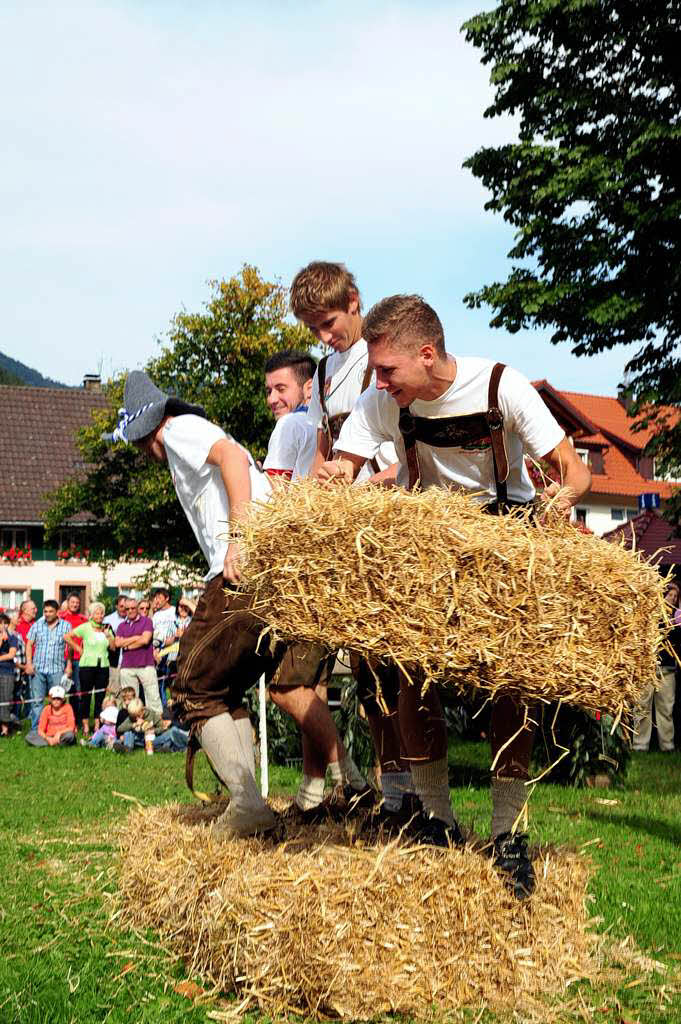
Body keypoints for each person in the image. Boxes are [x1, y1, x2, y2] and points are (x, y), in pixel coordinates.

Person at [316, 293, 592, 897]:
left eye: (389, 370)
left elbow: (577, 473)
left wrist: (558, 502)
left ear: (428, 352)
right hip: (430, 548)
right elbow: (345, 466)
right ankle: (437, 821)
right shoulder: (382, 403)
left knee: (513, 684)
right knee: (410, 677)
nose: (379, 382)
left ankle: (506, 833)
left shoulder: (502, 386)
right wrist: (335, 476)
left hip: (503, 538)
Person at [104, 370, 371, 838]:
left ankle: (248, 803)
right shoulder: (188, 434)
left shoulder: (180, 429)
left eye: (137, 440)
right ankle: (258, 801)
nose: (140, 450)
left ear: (149, 426)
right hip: (275, 571)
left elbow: (230, 458)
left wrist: (238, 538)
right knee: (224, 691)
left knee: (190, 687)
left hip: (243, 572)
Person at [291, 261, 413, 826]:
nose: (324, 336)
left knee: (393, 668)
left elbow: (412, 453)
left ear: (356, 301)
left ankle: (409, 791)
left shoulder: (386, 358)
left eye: (330, 322)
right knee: (360, 669)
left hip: (390, 520)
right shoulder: (320, 375)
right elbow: (322, 450)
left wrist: (375, 485)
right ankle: (382, 793)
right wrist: (311, 500)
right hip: (344, 528)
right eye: (313, 327)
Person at [633, 578, 679, 752]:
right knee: (641, 708)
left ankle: (667, 746)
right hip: (647, 670)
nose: (672, 599)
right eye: (670, 595)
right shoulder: (649, 615)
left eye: (675, 597)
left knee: (666, 709)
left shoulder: (677, 619)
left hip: (667, 671)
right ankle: (639, 746)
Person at [263, 350, 318, 481]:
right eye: (269, 391)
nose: (272, 399)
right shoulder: (323, 423)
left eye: (281, 389)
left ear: (309, 388)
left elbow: (274, 490)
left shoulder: (289, 423)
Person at [65, 601, 116, 736]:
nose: (100, 616)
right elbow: (67, 636)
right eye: (97, 613)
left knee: (100, 697)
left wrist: (109, 635)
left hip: (103, 666)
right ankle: (86, 725)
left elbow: (113, 647)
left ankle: (98, 725)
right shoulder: (86, 627)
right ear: (92, 615)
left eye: (102, 613)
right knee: (86, 696)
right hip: (87, 665)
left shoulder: (107, 627)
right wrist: (78, 648)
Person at [25, 601, 72, 730]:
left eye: (51, 611)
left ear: (57, 612)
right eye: (45, 611)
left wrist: (69, 666)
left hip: (57, 670)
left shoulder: (66, 626)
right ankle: (36, 730)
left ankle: (56, 729)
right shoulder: (37, 625)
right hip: (38, 670)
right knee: (37, 702)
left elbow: (70, 648)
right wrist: (29, 663)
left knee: (58, 701)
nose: (47, 614)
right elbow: (29, 643)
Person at [115, 598, 162, 713]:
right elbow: (117, 643)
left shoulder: (147, 621)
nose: (130, 611)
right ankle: (131, 723)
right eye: (127, 609)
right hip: (127, 666)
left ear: (137, 609)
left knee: (152, 697)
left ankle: (156, 723)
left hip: (146, 664)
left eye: (132, 608)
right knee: (129, 699)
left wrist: (127, 645)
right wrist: (136, 638)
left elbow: (145, 640)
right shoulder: (121, 626)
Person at [151, 585, 177, 706]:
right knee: (160, 684)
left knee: (173, 684)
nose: (157, 600)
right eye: (156, 597)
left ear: (167, 598)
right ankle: (163, 710)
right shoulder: (156, 616)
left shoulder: (174, 611)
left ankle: (175, 711)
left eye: (159, 597)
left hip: (174, 653)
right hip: (160, 654)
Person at [59, 593, 87, 701]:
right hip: (63, 658)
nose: (75, 605)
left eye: (77, 603)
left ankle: (76, 716)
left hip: (79, 658)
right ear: (68, 603)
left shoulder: (83, 620)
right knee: (61, 688)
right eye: (72, 602)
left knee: (77, 689)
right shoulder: (61, 618)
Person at [13, 599, 37, 720]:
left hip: (33, 661)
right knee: (17, 691)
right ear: (25, 610)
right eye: (33, 608)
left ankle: (28, 715)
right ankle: (15, 716)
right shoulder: (17, 625)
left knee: (31, 690)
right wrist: (22, 665)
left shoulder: (35, 624)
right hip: (19, 663)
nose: (36, 610)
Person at [104, 595, 128, 694]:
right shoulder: (108, 620)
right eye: (121, 606)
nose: (124, 609)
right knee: (114, 692)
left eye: (125, 607)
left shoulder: (132, 618)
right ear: (116, 606)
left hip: (128, 661)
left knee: (128, 692)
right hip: (114, 661)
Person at [0, 613, 19, 737]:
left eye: (3, 623)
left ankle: (5, 729)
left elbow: (11, 654)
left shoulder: (12, 637)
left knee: (6, 700)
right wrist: (1, 640)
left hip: (6, 672)